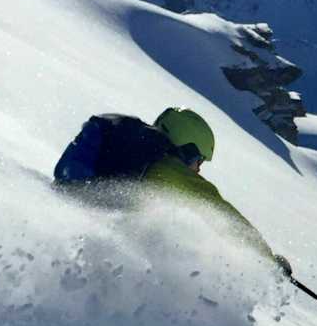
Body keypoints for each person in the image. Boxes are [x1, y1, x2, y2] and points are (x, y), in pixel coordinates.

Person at [54, 107, 287, 270]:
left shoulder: (134, 150)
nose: (198, 170)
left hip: (70, 208)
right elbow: (219, 211)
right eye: (199, 160)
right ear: (187, 148)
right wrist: (267, 258)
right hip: (100, 235)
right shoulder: (167, 168)